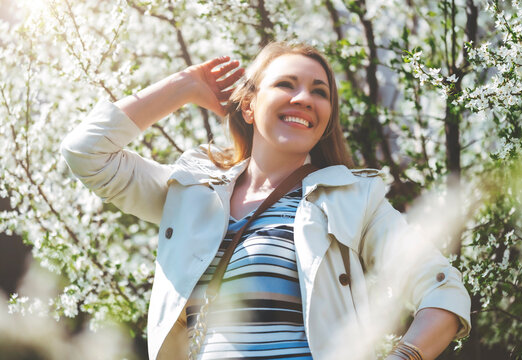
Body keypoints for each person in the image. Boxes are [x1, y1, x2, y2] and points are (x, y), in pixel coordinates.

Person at [61, 42, 471, 360]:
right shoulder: (191, 194)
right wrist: (184, 85)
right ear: (249, 105)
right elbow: (86, 153)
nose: (304, 98)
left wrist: (406, 355)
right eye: (286, 85)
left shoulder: (351, 200)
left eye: (320, 91)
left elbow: (443, 290)